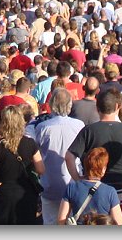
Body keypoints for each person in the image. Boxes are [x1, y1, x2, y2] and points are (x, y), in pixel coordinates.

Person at [65, 89, 122, 225]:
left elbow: (69, 156)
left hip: (94, 192)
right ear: (118, 107)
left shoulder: (89, 130)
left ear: (97, 107)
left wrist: (77, 178)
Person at [0, 104, 45, 224]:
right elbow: (41, 169)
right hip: (26, 193)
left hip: (5, 193)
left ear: (3, 123)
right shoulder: (30, 143)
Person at [31, 87, 85, 225]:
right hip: (72, 180)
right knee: (72, 221)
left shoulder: (42, 127)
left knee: (50, 221)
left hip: (50, 182)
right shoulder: (79, 125)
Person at [56, 147, 122, 225]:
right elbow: (118, 222)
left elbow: (61, 219)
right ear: (103, 169)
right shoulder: (110, 192)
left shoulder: (71, 188)